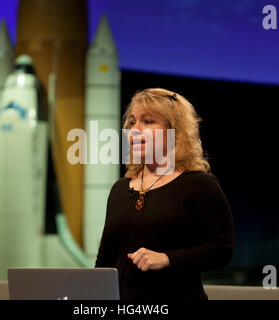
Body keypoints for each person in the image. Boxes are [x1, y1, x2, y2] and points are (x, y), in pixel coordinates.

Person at [95, 88, 234, 300]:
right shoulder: (120, 188)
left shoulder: (198, 183)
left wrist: (168, 258)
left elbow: (222, 249)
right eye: (132, 122)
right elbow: (105, 260)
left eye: (148, 121)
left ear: (174, 131)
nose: (135, 130)